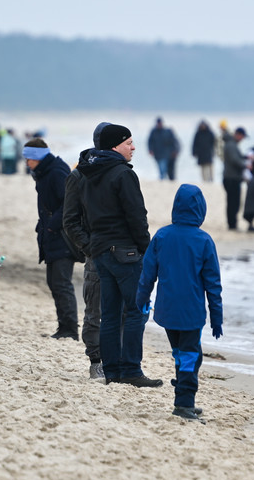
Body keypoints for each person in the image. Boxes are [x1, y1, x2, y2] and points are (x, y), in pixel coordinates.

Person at [78, 123, 161, 387]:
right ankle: (131, 370)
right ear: (115, 146)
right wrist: (146, 248)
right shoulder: (122, 174)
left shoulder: (90, 172)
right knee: (137, 310)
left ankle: (112, 370)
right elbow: (137, 215)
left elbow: (88, 215)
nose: (133, 147)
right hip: (124, 251)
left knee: (111, 313)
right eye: (128, 143)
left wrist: (93, 244)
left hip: (100, 251)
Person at [136, 184, 223, 422]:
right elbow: (213, 285)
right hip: (191, 313)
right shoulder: (204, 241)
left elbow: (147, 275)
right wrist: (217, 318)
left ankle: (183, 400)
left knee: (181, 354)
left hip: (167, 311)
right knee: (190, 356)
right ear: (200, 210)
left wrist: (141, 300)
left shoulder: (162, 235)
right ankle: (184, 404)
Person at [62, 122, 110, 380]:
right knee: (94, 309)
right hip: (94, 252)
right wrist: (89, 246)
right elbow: (69, 220)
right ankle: (95, 361)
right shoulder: (79, 175)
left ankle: (117, 360)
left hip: (117, 251)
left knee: (119, 309)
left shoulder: (117, 171)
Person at [23, 137, 79, 341]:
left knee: (61, 282)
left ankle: (70, 330)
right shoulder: (44, 171)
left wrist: (52, 225)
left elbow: (69, 203)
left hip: (62, 236)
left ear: (37, 157)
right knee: (54, 282)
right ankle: (63, 326)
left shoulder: (56, 171)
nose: (26, 162)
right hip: (51, 235)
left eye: (28, 158)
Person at [222, 126, 248, 230]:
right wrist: (246, 165)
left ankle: (232, 224)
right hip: (231, 178)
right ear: (238, 135)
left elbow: (237, 158)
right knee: (233, 203)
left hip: (231, 178)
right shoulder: (231, 145)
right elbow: (234, 160)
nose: (242, 139)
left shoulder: (231, 144)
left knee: (233, 202)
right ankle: (232, 225)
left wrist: (245, 158)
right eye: (242, 137)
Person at [147, 117, 180, 181]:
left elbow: (174, 142)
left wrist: (175, 151)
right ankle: (163, 178)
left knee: (164, 167)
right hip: (157, 154)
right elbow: (150, 142)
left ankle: (162, 178)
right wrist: (150, 150)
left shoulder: (167, 131)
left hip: (166, 154)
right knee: (161, 167)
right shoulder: (153, 132)